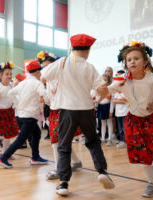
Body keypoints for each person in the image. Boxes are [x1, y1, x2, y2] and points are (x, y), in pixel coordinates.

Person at [41, 34, 115, 196]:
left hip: (67, 110)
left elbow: (43, 76)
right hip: (87, 109)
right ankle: (102, 172)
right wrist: (98, 98)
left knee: (64, 145)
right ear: (87, 51)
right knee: (93, 141)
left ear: (72, 48)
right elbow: (103, 89)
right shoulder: (89, 67)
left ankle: (64, 183)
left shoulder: (62, 62)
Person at [102, 41, 153, 198]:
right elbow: (106, 91)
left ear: (145, 62)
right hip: (134, 121)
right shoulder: (122, 80)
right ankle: (152, 183)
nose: (132, 62)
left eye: (136, 58)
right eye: (129, 60)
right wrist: (97, 90)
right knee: (142, 153)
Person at [0, 60, 49, 168]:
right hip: (29, 116)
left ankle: (35, 157)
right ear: (37, 72)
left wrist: (18, 103)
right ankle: (3, 158)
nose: (40, 73)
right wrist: (50, 102)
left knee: (37, 133)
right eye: (40, 71)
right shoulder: (37, 83)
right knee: (21, 139)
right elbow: (45, 96)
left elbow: (11, 93)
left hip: (21, 115)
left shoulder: (24, 82)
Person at [43, 52, 83, 180]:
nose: (46, 70)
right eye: (43, 67)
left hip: (65, 110)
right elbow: (50, 100)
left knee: (56, 141)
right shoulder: (49, 81)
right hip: (54, 111)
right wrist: (44, 99)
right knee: (59, 140)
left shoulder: (63, 78)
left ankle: (58, 169)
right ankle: (76, 162)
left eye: (48, 67)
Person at [0, 62, 19, 159]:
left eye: (10, 74)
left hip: (9, 112)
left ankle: (5, 153)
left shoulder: (12, 85)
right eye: (7, 74)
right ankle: (4, 151)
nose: (9, 76)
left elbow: (16, 96)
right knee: (1, 134)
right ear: (0, 75)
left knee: (8, 135)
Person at [96, 73, 114, 146]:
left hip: (107, 106)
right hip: (101, 107)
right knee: (103, 123)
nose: (103, 82)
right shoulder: (99, 89)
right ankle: (103, 138)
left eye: (105, 80)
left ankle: (109, 138)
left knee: (109, 123)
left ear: (107, 81)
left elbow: (112, 101)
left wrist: (111, 111)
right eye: (102, 80)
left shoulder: (110, 89)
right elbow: (97, 98)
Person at [112, 70, 129, 148]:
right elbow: (114, 100)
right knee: (120, 128)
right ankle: (122, 140)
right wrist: (119, 101)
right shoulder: (116, 92)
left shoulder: (126, 91)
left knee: (124, 127)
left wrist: (119, 101)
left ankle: (125, 141)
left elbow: (126, 101)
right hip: (118, 113)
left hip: (125, 112)